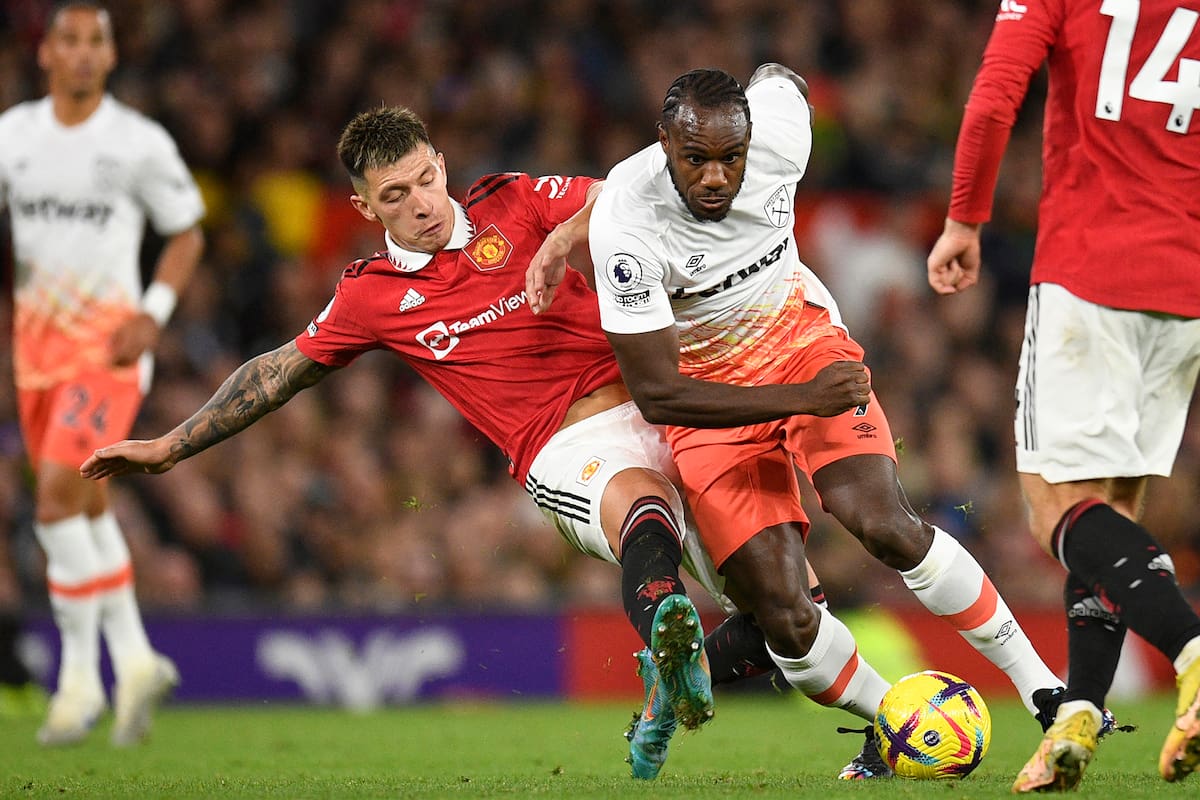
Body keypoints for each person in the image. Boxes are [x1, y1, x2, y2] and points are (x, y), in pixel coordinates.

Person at [80, 105, 874, 779]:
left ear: (441, 165)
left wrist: (562, 239)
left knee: (791, 615)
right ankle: (667, 619)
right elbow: (278, 371)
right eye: (396, 195)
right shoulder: (372, 296)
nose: (422, 203)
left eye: (426, 179)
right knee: (641, 506)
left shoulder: (515, 203)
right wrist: (170, 447)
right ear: (365, 208)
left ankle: (675, 675)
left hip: (664, 405)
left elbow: (627, 195)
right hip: (567, 450)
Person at [530, 62, 1068, 778]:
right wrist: (801, 402)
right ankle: (892, 726)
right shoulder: (629, 229)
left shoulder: (782, 133)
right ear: (665, 145)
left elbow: (781, 77)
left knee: (882, 522)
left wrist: (771, 78)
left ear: (754, 139)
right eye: (696, 160)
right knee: (783, 615)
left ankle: (1047, 695)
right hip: (708, 402)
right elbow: (660, 396)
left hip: (801, 345)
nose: (716, 177)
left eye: (731, 158)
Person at [926, 0, 1200, 790]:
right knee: (1111, 510)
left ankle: (1189, 652)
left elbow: (994, 95)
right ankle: (1078, 715)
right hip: (1182, 283)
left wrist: (965, 220)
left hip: (1092, 271)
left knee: (1054, 508)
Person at [0, 2, 204, 746]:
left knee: (57, 496)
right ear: (47, 53)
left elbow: (186, 230)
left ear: (111, 57)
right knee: (83, 510)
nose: (84, 54)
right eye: (70, 41)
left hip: (110, 352)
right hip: (35, 356)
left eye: (97, 42)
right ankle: (136, 659)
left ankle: (79, 683)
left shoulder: (138, 143)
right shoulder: (12, 138)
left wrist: (153, 308)